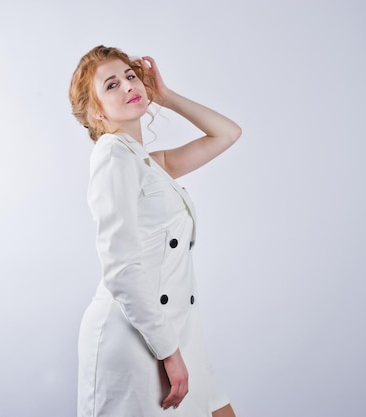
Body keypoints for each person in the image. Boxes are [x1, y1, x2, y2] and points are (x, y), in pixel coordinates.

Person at [68, 45, 242, 417]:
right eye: (111, 84)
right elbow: (120, 268)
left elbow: (227, 134)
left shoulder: (146, 162)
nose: (129, 85)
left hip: (176, 332)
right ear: (97, 109)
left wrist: (166, 97)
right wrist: (169, 352)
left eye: (131, 76)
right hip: (141, 342)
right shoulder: (113, 155)